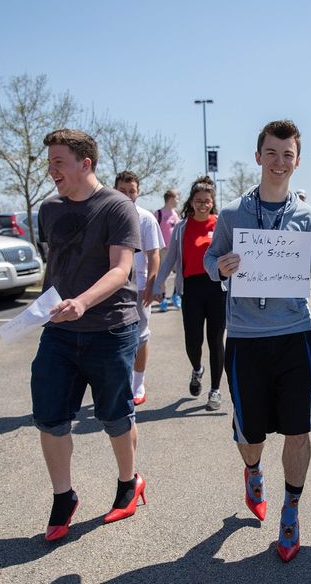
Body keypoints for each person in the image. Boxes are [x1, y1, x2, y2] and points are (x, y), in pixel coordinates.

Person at [204, 120, 311, 562]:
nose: (279, 161)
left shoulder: (308, 218)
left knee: (297, 428)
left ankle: (291, 509)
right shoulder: (232, 214)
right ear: (258, 157)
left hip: (293, 338)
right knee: (250, 435)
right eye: (272, 153)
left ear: (297, 161)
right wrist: (221, 267)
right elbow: (210, 259)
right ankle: (252, 471)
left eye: (287, 154)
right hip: (246, 340)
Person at [33, 129, 145, 542]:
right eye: (49, 164)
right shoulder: (49, 209)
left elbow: (121, 270)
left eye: (58, 163)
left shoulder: (117, 208)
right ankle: (64, 498)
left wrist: (82, 301)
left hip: (111, 330)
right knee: (49, 416)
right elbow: (58, 267)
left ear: (86, 164)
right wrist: (41, 311)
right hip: (59, 332)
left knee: (115, 417)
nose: (52, 171)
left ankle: (128, 483)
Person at [154, 177, 226, 411]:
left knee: (216, 340)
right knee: (193, 340)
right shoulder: (182, 227)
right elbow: (171, 258)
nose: (202, 205)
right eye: (198, 201)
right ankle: (197, 369)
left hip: (217, 289)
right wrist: (158, 285)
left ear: (212, 202)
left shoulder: (221, 225)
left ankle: (215, 390)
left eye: (206, 201)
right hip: (192, 290)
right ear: (192, 202)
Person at [114, 171, 165, 406]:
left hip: (139, 286)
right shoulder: (107, 215)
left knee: (141, 337)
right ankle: (119, 381)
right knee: (115, 336)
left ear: (138, 192)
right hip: (113, 287)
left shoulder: (145, 218)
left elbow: (154, 255)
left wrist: (152, 286)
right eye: (122, 190)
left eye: (131, 191)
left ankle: (138, 383)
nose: (127, 195)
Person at [155, 189, 182, 312]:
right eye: (177, 198)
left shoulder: (176, 214)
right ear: (170, 198)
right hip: (163, 249)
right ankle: (163, 298)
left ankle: (176, 295)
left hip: (176, 249)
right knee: (163, 275)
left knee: (180, 273)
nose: (178, 200)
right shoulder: (158, 213)